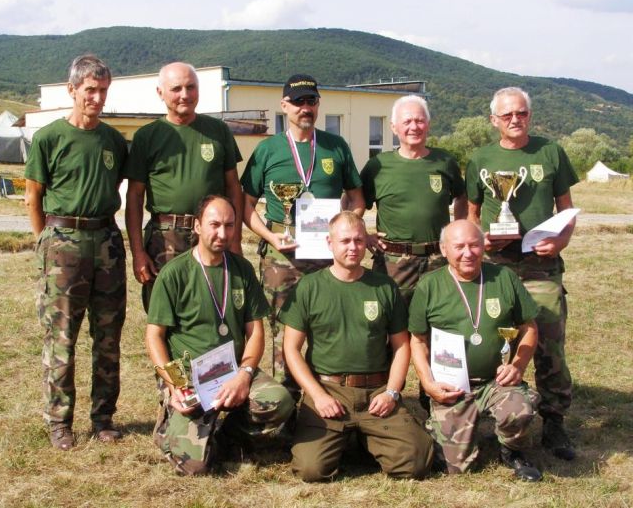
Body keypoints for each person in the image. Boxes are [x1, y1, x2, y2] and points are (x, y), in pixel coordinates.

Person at [466, 87, 579, 460]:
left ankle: (554, 421)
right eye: (507, 115)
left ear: (530, 116)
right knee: (498, 339)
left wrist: (561, 240)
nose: (515, 119)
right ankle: (499, 415)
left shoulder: (550, 152)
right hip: (496, 266)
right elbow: (471, 213)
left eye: (522, 113)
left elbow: (567, 209)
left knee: (549, 342)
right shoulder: (481, 159)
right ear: (493, 120)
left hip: (540, 266)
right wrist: (481, 240)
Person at [145, 195, 295, 476]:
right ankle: (169, 427)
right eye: (214, 225)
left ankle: (224, 434)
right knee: (196, 467)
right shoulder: (174, 273)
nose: (223, 234)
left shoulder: (241, 270)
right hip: (189, 376)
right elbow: (154, 337)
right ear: (198, 226)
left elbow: (255, 331)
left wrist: (244, 375)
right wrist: (176, 384)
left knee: (279, 401)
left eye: (229, 225)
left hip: (232, 370)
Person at [280, 211, 434, 482]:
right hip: (329, 391)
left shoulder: (384, 286)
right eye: (345, 241)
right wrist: (317, 395)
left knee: (416, 463)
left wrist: (391, 393)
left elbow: (402, 346)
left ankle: (364, 437)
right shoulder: (309, 287)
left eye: (359, 240)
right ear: (330, 243)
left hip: (375, 392)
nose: (353, 247)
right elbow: (291, 349)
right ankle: (354, 437)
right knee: (311, 470)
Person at [24, 55, 128, 450]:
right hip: (63, 242)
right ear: (72, 90)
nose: (97, 98)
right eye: (90, 90)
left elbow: (112, 185)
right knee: (62, 337)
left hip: (106, 242)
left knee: (108, 337)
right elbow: (33, 197)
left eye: (103, 91)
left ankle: (103, 418)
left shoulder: (113, 141)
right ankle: (59, 422)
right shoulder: (49, 137)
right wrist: (46, 243)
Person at [241, 73, 364, 384]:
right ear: (284, 106)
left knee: (329, 324)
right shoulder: (268, 149)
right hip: (282, 257)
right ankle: (287, 395)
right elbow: (245, 205)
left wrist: (342, 232)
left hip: (327, 256)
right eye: (298, 102)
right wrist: (270, 236)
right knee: (284, 328)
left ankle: (326, 394)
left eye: (311, 101)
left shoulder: (336, 147)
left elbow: (357, 199)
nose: (305, 108)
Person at [409, 220, 542, 481]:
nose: (468, 253)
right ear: (444, 249)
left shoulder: (504, 277)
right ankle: (441, 426)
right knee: (456, 468)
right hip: (453, 386)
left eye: (474, 245)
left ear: (483, 246)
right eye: (459, 246)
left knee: (519, 411)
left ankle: (512, 450)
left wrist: (517, 366)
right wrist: (428, 383)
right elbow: (417, 340)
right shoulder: (429, 285)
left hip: (496, 382)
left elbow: (529, 328)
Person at [125, 62, 243, 311]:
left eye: (191, 87)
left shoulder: (218, 131)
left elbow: (233, 187)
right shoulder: (147, 136)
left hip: (211, 234)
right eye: (176, 88)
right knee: (165, 311)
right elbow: (134, 197)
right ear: (160, 92)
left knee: (213, 306)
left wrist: (235, 241)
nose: (185, 95)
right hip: (164, 238)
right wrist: (138, 253)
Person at [360, 94, 467, 305]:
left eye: (419, 120)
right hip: (393, 263)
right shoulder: (378, 166)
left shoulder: (445, 162)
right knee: (392, 320)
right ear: (394, 127)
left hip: (438, 260)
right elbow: (353, 201)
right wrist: (362, 234)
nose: (414, 127)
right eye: (407, 121)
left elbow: (462, 197)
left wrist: (459, 232)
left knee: (439, 319)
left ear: (428, 125)